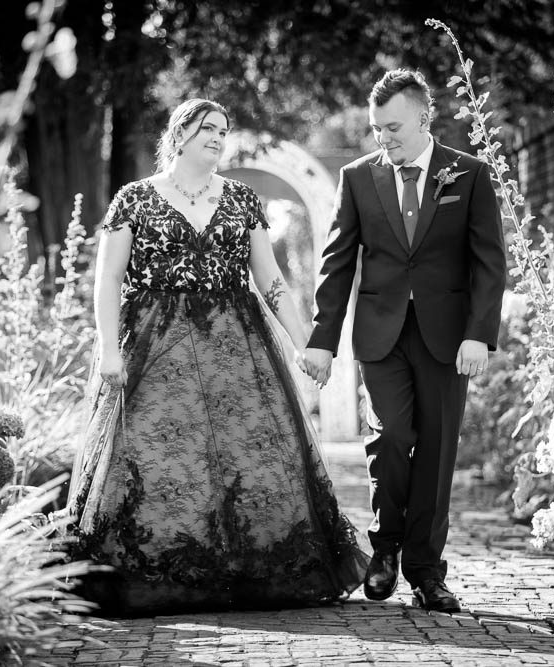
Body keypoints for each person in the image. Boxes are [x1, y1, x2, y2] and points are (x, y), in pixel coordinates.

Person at [65, 98, 368, 614]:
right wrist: (109, 350)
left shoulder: (242, 200)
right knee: (159, 457)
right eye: (207, 128)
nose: (216, 137)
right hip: (154, 348)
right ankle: (158, 575)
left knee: (246, 456)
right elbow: (108, 282)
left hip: (236, 348)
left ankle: (240, 574)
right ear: (180, 133)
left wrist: (305, 343)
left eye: (222, 130)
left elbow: (270, 282)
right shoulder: (135, 200)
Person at [302, 69, 507, 613]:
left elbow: (490, 263)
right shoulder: (358, 177)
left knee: (437, 452)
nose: (383, 138)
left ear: (423, 117)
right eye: (375, 129)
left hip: (446, 339)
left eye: (392, 127)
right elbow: (337, 263)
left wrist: (479, 335)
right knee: (392, 436)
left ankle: (425, 571)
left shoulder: (469, 174)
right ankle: (385, 547)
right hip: (381, 334)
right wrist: (323, 340)